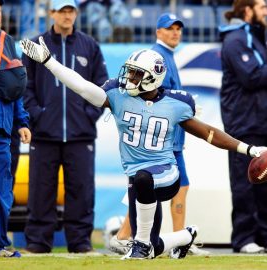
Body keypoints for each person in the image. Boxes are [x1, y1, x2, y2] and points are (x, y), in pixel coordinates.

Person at [20, 36, 266, 259]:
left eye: (137, 74)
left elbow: (209, 133)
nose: (130, 78)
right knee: (153, 242)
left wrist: (249, 149)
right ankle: (185, 236)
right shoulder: (118, 94)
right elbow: (82, 87)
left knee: (143, 187)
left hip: (166, 173)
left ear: (153, 77)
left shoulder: (175, 103)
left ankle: (139, 244)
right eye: (130, 72)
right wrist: (50, 62)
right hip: (136, 178)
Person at [108, 13, 209, 256]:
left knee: (144, 187)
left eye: (178, 28)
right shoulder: (157, 56)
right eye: (169, 28)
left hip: (165, 137)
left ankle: (139, 237)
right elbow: (159, 97)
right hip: (163, 139)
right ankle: (169, 239)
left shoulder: (168, 55)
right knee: (169, 186)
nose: (175, 32)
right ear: (158, 31)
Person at [21, 0, 108, 253]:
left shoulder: (89, 45)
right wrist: (38, 115)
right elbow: (25, 86)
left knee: (81, 190)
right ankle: (38, 242)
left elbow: (102, 87)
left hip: (80, 135)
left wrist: (88, 114)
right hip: (45, 134)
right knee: (41, 190)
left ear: (76, 13)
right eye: (62, 11)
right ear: (52, 13)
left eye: (71, 10)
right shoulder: (35, 46)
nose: (67, 15)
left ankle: (80, 242)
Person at [219, 0, 267, 254]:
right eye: (262, 6)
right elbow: (251, 77)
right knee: (244, 183)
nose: (266, 11)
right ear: (247, 10)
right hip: (243, 125)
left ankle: (262, 237)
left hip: (260, 123)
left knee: (264, 184)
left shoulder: (256, 38)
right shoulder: (236, 40)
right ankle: (244, 237)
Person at [0, 0, 31, 257]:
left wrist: (22, 122)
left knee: (1, 190)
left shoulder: (8, 42)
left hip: (2, 129)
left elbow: (16, 86)